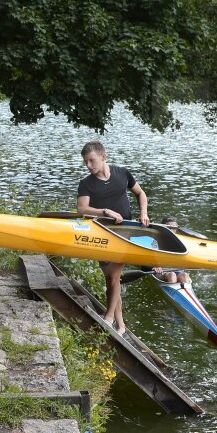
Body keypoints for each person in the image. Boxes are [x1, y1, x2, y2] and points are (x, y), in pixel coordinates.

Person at [75, 141, 150, 334]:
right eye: (85, 162)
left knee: (114, 275)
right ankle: (121, 325)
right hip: (100, 234)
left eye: (91, 160)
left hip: (124, 234)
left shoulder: (122, 173)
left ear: (104, 156)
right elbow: (82, 209)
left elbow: (140, 193)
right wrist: (105, 211)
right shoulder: (86, 183)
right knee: (111, 279)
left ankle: (108, 318)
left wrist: (143, 213)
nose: (88, 165)